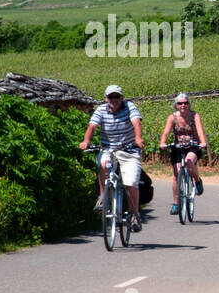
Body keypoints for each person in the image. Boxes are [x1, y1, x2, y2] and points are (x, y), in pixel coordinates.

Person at [78, 85, 146, 232]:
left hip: (129, 149)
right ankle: (103, 197)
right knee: (104, 163)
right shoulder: (101, 109)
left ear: (122, 97)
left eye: (117, 97)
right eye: (111, 97)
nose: (114, 100)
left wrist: (138, 138)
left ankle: (134, 213)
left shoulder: (129, 106)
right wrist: (86, 141)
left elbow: (136, 122)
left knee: (131, 182)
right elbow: (92, 126)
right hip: (108, 148)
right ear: (105, 98)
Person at [159, 93, 208, 216]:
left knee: (189, 162)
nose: (183, 105)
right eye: (180, 103)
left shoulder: (195, 116)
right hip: (178, 146)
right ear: (176, 105)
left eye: (185, 103)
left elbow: (200, 131)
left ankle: (197, 180)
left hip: (193, 145)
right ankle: (176, 203)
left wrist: (202, 142)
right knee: (176, 174)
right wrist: (163, 143)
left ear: (189, 104)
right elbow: (166, 133)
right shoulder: (172, 117)